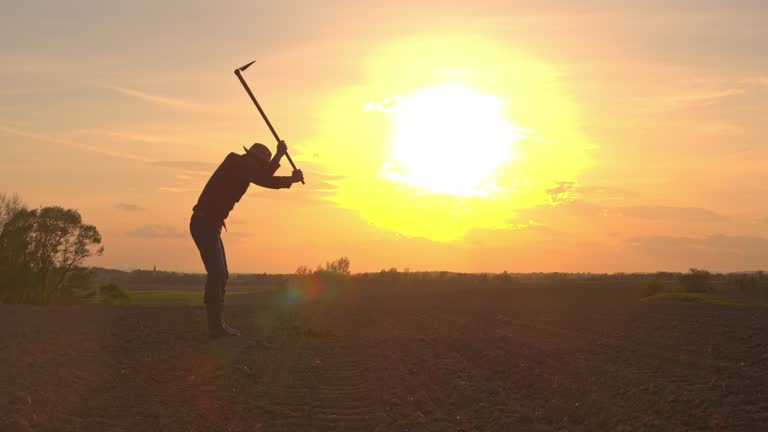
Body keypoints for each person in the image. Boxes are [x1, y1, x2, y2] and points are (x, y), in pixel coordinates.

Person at [190, 140, 303, 338]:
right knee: (217, 273)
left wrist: (278, 156)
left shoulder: (244, 167)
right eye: (259, 164)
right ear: (252, 160)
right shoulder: (235, 161)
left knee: (221, 274)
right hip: (203, 223)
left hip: (210, 226)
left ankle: (217, 326)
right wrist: (290, 178)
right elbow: (264, 179)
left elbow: (263, 176)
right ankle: (215, 329)